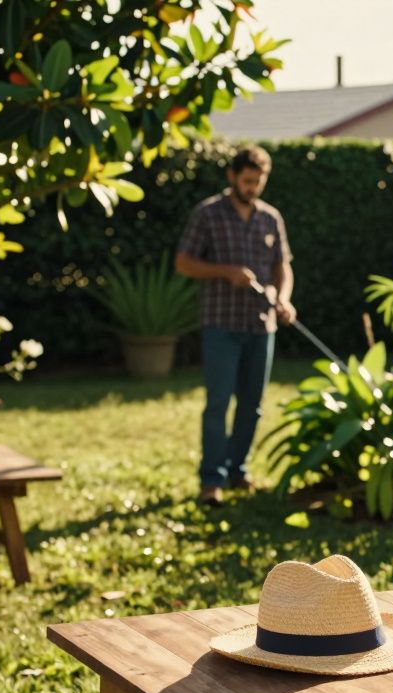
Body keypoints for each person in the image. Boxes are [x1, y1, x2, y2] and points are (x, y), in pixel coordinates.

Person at [176, 145, 295, 506]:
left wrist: (283, 298)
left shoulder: (270, 217)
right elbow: (183, 263)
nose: (252, 187)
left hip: (261, 326)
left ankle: (237, 470)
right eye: (247, 180)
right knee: (218, 404)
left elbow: (282, 266)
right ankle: (212, 480)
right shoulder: (208, 214)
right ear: (232, 176)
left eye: (258, 182)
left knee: (252, 406)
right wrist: (225, 272)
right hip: (221, 324)